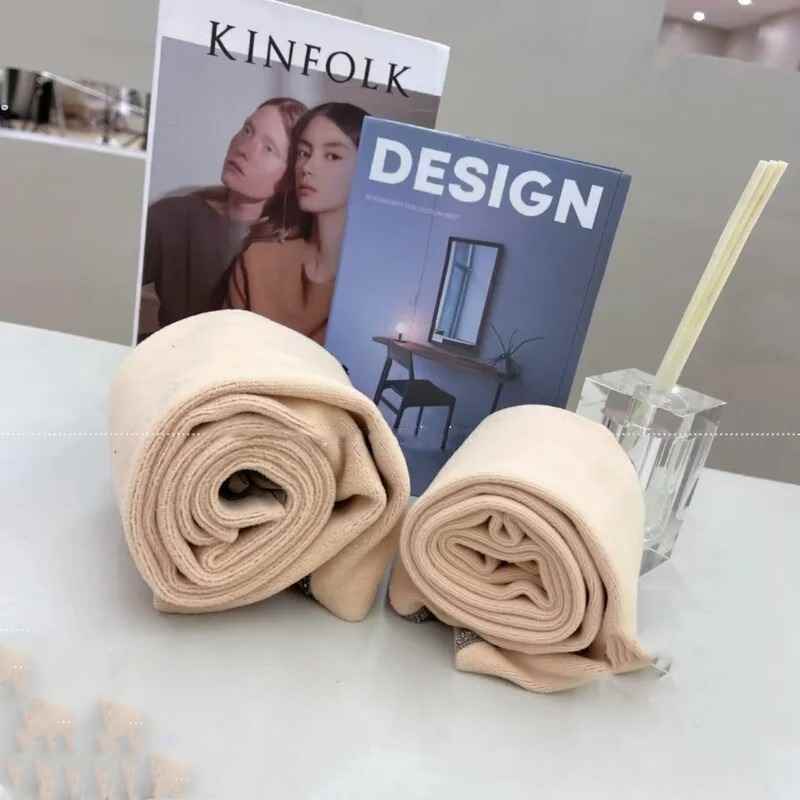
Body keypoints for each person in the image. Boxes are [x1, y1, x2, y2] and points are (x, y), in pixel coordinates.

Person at [140, 96, 307, 335]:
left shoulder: (292, 252)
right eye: (247, 130)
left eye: (268, 148)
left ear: (289, 179)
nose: (244, 148)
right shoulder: (173, 217)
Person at [224, 102, 369, 345]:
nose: (307, 167)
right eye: (303, 153)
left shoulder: (375, 285)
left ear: (367, 169)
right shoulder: (257, 261)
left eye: (332, 156)